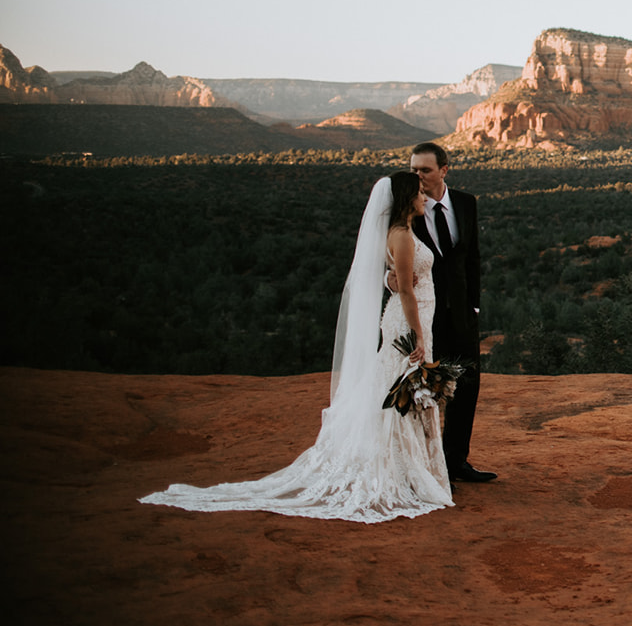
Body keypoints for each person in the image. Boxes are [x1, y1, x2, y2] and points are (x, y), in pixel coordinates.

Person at [139, 172, 454, 522]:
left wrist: (396, 286)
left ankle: (405, 468)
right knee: (399, 386)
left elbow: (399, 279)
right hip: (408, 322)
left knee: (394, 385)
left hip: (410, 318)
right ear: (407, 198)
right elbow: (407, 290)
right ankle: (400, 471)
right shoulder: (403, 237)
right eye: (420, 194)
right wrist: (420, 336)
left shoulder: (399, 233)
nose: (425, 199)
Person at [408, 141, 495, 483]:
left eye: (425, 170)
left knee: (467, 386)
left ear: (444, 170)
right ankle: (426, 470)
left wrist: (474, 304)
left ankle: (455, 462)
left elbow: (472, 257)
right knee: (423, 390)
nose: (418, 176)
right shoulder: (405, 209)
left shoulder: (465, 203)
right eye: (413, 169)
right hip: (423, 316)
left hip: (461, 313)